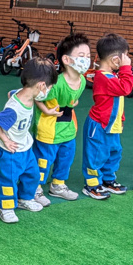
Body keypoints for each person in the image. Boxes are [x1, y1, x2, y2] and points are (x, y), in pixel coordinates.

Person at [0, 57, 57, 223]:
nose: (48, 91)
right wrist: (6, 140)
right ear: (41, 86)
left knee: (32, 174)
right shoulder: (14, 109)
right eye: (49, 87)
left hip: (25, 146)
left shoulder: (27, 94)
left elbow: (11, 93)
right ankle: (6, 207)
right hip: (10, 150)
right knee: (8, 180)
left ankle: (25, 198)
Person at [33, 32, 90, 202]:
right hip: (49, 131)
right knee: (43, 160)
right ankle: (34, 188)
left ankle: (58, 185)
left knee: (66, 158)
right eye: (81, 56)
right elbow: (37, 96)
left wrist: (73, 102)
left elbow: (73, 100)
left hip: (68, 129)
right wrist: (46, 110)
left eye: (88, 56)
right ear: (66, 59)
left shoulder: (82, 81)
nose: (86, 60)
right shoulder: (56, 83)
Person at [81, 33, 133, 200]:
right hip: (99, 125)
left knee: (114, 152)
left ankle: (107, 179)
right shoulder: (103, 77)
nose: (127, 61)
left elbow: (118, 100)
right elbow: (126, 89)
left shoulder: (112, 76)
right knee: (96, 154)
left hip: (112, 125)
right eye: (125, 58)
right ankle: (92, 184)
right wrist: (126, 69)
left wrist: (121, 119)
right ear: (116, 60)